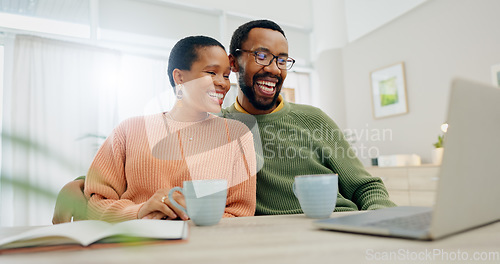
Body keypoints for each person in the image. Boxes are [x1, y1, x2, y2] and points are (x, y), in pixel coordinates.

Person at [53, 20, 395, 223]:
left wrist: (386, 224)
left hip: (339, 223)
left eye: (282, 59)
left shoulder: (312, 119)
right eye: (262, 55)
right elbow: (152, 158)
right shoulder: (223, 129)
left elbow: (366, 187)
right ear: (236, 63)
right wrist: (82, 185)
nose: (274, 68)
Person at [54, 36, 257, 223]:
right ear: (180, 77)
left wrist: (186, 219)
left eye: (226, 75)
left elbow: (240, 212)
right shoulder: (128, 130)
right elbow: (96, 204)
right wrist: (140, 211)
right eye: (211, 72)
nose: (222, 83)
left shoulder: (237, 135)